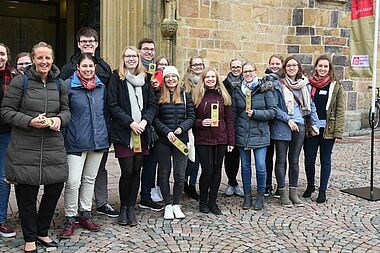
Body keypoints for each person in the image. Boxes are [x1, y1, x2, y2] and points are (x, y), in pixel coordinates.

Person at [1, 41, 70, 253]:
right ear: (33, 59)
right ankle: (30, 238)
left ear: (52, 60)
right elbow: (6, 111)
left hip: (52, 146)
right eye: (40, 57)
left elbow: (67, 111)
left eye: (47, 58)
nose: (44, 61)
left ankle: (42, 231)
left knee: (54, 188)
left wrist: (59, 119)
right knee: (27, 195)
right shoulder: (20, 82)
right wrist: (29, 121)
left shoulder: (59, 84)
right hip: (25, 146)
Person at [60, 27, 117, 218]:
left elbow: (107, 105)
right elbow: (64, 107)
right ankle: (71, 214)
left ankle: (93, 208)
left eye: (91, 41)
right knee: (74, 179)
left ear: (97, 44)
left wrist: (106, 131)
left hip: (98, 134)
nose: (88, 44)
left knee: (93, 175)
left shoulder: (104, 73)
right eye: (84, 41)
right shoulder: (68, 74)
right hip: (76, 135)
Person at [60, 53, 109, 238]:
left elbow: (105, 113)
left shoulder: (101, 87)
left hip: (98, 140)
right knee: (73, 181)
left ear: (95, 68)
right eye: (85, 66)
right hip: (75, 141)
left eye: (91, 66)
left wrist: (105, 135)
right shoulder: (68, 86)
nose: (88, 69)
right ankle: (70, 216)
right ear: (78, 68)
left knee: (90, 179)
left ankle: (85, 213)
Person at [107, 46, 156, 226]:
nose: (131, 59)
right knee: (127, 171)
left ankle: (131, 208)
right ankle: (123, 208)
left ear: (138, 58)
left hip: (141, 132)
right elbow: (112, 105)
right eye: (127, 56)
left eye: (134, 56)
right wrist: (130, 122)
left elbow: (152, 105)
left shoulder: (147, 79)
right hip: (124, 132)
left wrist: (144, 122)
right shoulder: (116, 78)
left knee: (137, 171)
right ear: (123, 58)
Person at [275, 56, 319, 208]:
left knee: (294, 160)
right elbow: (275, 107)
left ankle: (293, 192)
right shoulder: (279, 84)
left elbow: (310, 105)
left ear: (298, 68)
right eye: (289, 65)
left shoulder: (304, 84)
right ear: (285, 68)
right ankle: (283, 193)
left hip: (300, 125)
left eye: (294, 65)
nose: (292, 68)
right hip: (282, 124)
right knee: (281, 159)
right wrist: (288, 119)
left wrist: (315, 123)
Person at [232, 61, 276, 210]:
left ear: (256, 71)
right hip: (243, 134)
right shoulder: (237, 90)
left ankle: (260, 196)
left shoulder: (264, 89)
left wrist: (256, 113)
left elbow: (272, 111)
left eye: (250, 71)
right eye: (245, 72)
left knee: (261, 166)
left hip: (260, 133)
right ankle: (247, 196)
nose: (248, 74)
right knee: (245, 167)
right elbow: (234, 114)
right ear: (242, 74)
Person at [154, 66, 195, 220]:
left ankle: (177, 204)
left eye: (174, 76)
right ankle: (167, 205)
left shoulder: (186, 95)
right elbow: (155, 118)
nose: (171, 79)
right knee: (164, 173)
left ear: (178, 78)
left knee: (180, 174)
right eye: (168, 77)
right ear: (164, 79)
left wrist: (181, 128)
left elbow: (191, 116)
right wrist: (167, 131)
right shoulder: (158, 95)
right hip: (164, 141)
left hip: (181, 140)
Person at [193, 67, 235, 215]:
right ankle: (203, 201)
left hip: (221, 138)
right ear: (203, 79)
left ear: (217, 79)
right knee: (207, 170)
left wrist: (231, 141)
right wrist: (200, 123)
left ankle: (213, 201)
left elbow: (229, 120)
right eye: (207, 77)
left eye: (213, 77)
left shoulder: (223, 96)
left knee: (217, 171)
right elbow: (192, 118)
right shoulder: (197, 96)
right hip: (203, 139)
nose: (210, 79)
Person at [303, 55, 345, 203]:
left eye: (325, 66)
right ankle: (310, 186)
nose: (322, 69)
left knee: (325, 160)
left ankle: (322, 191)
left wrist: (338, 132)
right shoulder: (308, 84)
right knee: (309, 160)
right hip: (311, 128)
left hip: (328, 129)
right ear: (316, 67)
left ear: (329, 68)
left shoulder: (336, 86)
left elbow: (340, 110)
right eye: (320, 66)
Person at [137, 38, 164, 211]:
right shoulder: (136, 70)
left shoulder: (159, 73)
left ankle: (146, 196)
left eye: (151, 49)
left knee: (150, 163)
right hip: (137, 122)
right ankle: (130, 197)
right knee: (133, 164)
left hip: (154, 122)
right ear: (139, 51)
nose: (149, 52)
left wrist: (157, 87)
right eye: (145, 49)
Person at [182, 55, 205, 200]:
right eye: (195, 64)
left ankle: (192, 183)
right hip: (190, 123)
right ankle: (184, 182)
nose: (198, 67)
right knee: (190, 156)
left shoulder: (207, 81)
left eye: (200, 64)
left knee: (198, 157)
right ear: (190, 67)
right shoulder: (186, 84)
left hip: (204, 124)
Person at [0, 43, 16, 238]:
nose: (0, 57)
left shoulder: (14, 79)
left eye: (2, 53)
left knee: (3, 178)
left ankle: (1, 219)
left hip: (6, 133)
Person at [222, 59, 244, 197]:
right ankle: (232, 182)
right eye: (233, 67)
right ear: (230, 68)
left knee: (244, 158)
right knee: (231, 156)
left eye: (238, 67)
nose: (236, 69)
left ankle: (243, 183)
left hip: (244, 123)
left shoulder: (247, 83)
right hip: (229, 122)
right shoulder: (224, 84)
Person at [264, 54, 284, 198]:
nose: (275, 66)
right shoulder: (263, 80)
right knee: (268, 157)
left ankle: (281, 185)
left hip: (282, 123)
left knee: (281, 157)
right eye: (272, 63)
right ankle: (267, 184)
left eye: (277, 63)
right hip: (268, 123)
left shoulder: (285, 81)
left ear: (282, 65)